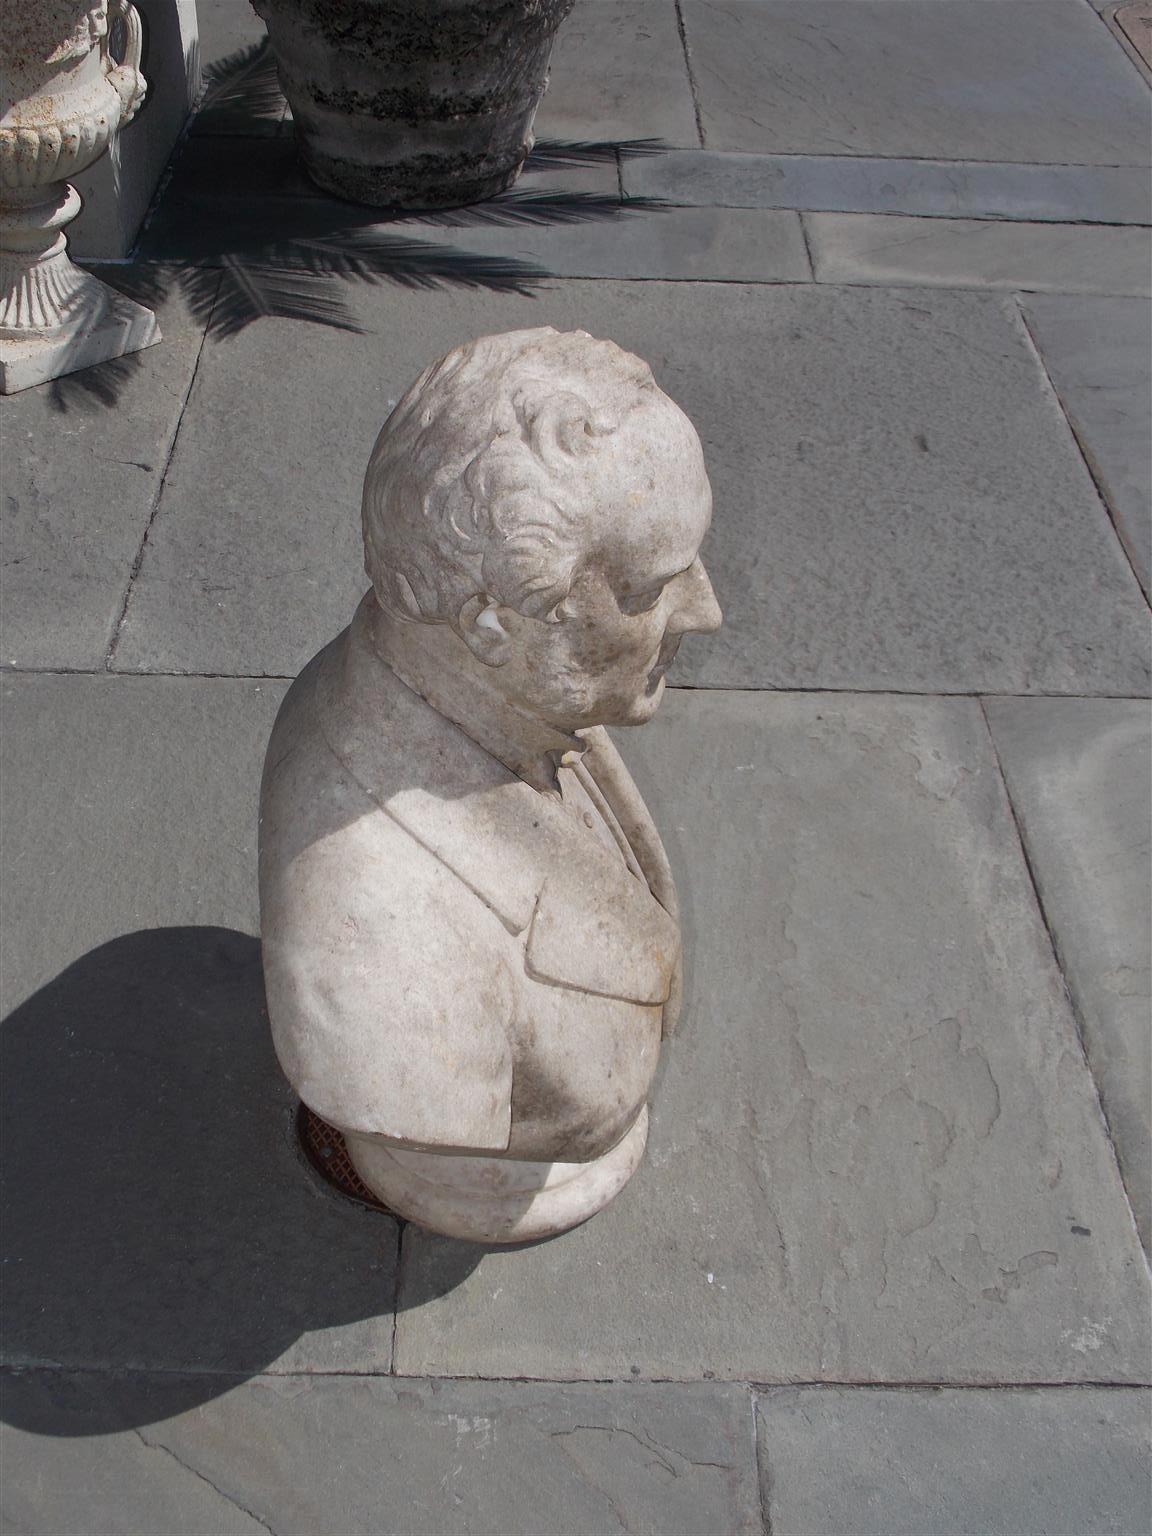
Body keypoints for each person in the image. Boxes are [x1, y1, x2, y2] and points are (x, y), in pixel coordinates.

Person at [259, 327, 722, 1243]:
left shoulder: (505, 700)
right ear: (495, 624)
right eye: (656, 585)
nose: (706, 610)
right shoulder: (375, 923)